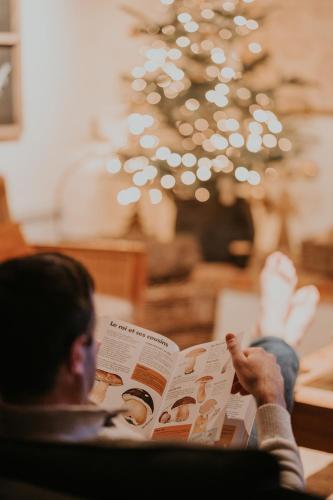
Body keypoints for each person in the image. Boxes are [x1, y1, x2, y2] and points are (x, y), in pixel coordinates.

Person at [0, 252, 318, 491]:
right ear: (75, 358)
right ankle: (278, 335)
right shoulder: (161, 473)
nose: (99, 347)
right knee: (265, 383)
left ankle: (275, 333)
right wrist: (271, 397)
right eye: (90, 339)